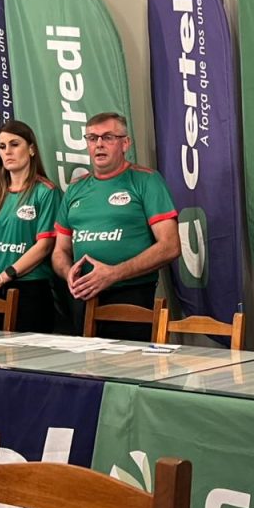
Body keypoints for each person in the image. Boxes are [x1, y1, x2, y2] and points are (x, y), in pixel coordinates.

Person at [52, 112, 180, 340]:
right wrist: (67, 271)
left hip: (131, 297)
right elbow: (60, 250)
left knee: (127, 362)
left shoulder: (147, 181)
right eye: (92, 138)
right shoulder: (75, 188)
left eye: (108, 137)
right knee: (84, 362)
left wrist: (113, 274)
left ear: (125, 143)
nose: (99, 144)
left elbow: (170, 246)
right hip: (83, 296)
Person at [0, 120, 61, 332]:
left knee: (28, 352)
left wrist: (2, 278)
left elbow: (44, 246)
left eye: (14, 144)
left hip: (30, 288)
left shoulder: (46, 192)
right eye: (2, 146)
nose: (8, 152)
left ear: (31, 149)